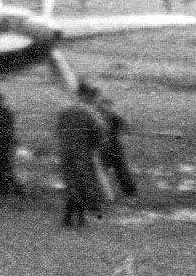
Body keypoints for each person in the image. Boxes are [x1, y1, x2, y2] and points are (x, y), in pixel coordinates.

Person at [56, 82, 108, 228]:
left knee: (71, 183)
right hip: (82, 153)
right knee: (82, 183)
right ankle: (79, 218)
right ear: (87, 95)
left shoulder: (64, 111)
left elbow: (59, 132)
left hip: (65, 152)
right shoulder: (89, 113)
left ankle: (69, 218)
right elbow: (100, 133)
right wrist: (95, 147)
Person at [95, 89, 137, 198]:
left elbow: (127, 129)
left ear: (110, 106)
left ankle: (130, 192)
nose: (104, 109)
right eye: (102, 107)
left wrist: (127, 123)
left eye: (107, 106)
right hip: (103, 148)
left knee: (120, 170)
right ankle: (102, 192)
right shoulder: (98, 117)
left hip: (114, 148)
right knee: (101, 171)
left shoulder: (115, 118)